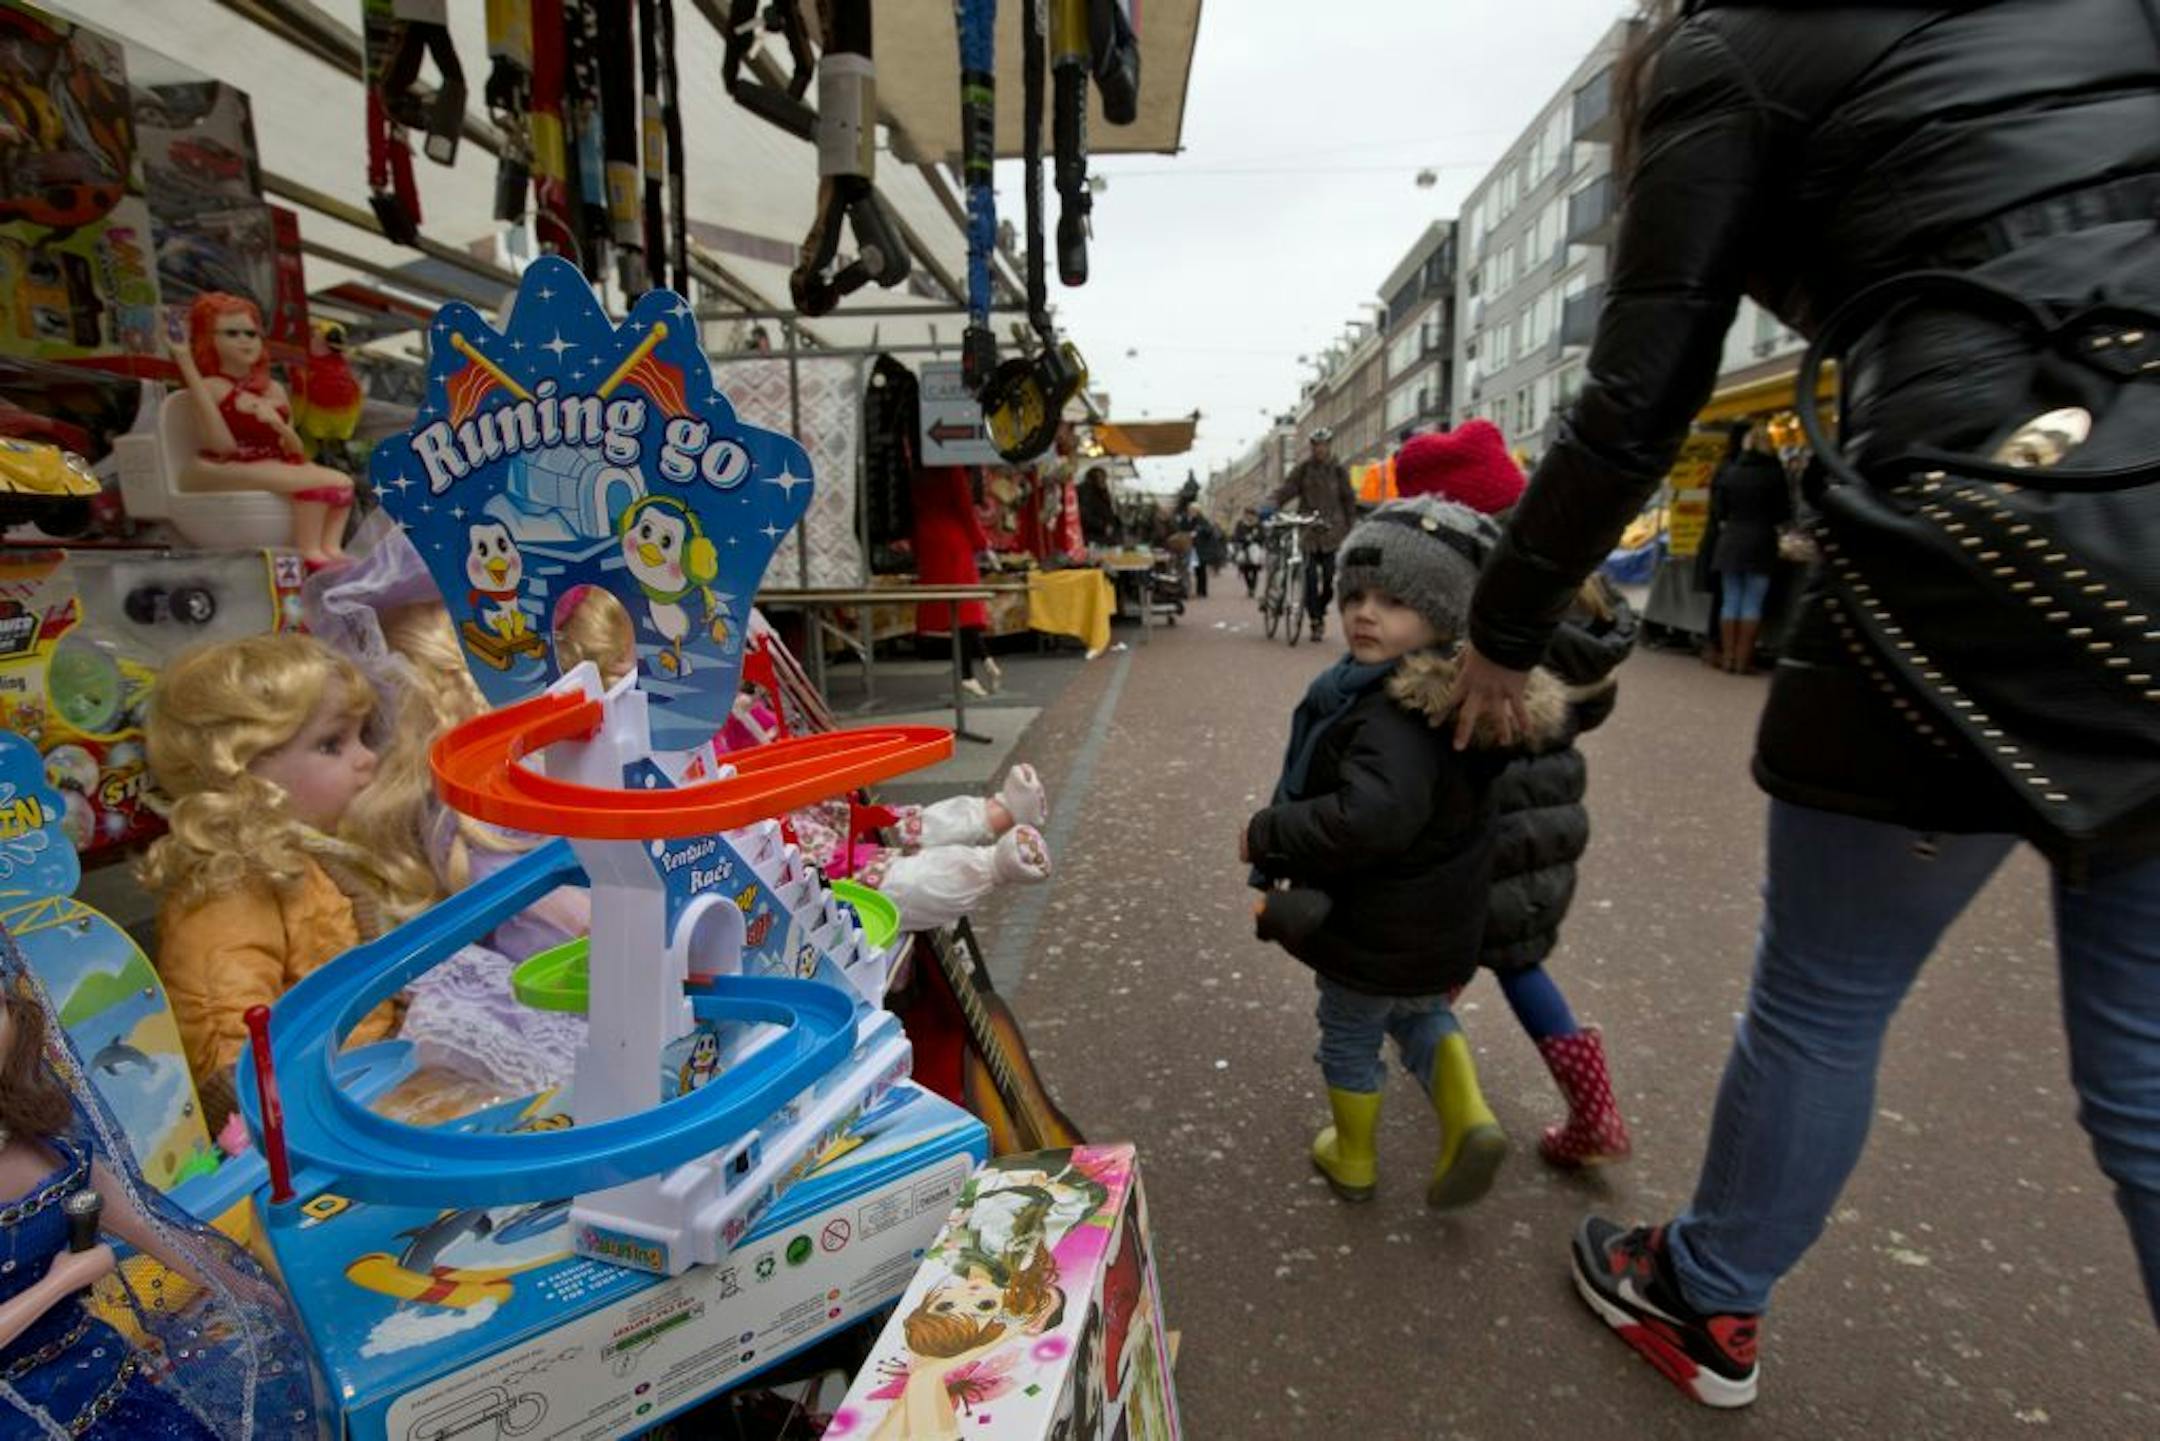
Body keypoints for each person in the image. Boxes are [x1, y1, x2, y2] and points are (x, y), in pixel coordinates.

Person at [1449, 0, 2160, 1409]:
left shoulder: (1736, 46)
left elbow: (1639, 398)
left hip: (1968, 540)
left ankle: (1707, 1296)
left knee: (1827, 995)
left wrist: (1501, 628)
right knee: (2147, 1065)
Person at [1244, 495, 1568, 1211]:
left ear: (1447, 612)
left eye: (1394, 600)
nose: (1365, 613)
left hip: (1373, 918)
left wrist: (1267, 833)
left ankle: (1353, 1153)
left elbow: (1370, 819)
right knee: (1421, 1013)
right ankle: (1468, 1117)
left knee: (1350, 1029)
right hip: (1440, 915)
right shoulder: (1448, 697)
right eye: (1355, 595)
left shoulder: (1386, 712)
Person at [1396, 423, 1639, 1167]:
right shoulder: (1572, 590)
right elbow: (1585, 702)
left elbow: (1433, 713)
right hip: (1549, 813)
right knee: (1513, 955)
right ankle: (1593, 1112)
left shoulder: (1470, 609)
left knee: (1432, 961)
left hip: (1477, 815)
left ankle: (1463, 1105)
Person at [139, 633, 410, 1128]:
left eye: (362, 737)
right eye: (332, 744)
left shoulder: (321, 855)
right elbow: (228, 1040)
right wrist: (277, 1117)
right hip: (312, 1116)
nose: (366, 758)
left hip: (368, 1080)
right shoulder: (230, 886)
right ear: (242, 772)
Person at [166, 292, 356, 570]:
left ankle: (329, 547)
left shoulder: (274, 390)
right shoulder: (213, 387)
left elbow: (293, 450)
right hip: (219, 466)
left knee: (344, 482)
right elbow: (223, 447)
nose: (245, 341)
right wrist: (185, 364)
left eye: (251, 333)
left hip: (268, 460)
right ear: (210, 339)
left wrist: (277, 424)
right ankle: (310, 549)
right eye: (232, 333)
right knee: (316, 483)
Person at [1706, 421, 1792, 674]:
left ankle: (1729, 657)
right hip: (1761, 541)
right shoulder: (1775, 474)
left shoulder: (1731, 472)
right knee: (1753, 602)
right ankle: (1744, 660)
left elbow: (1718, 510)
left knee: (1730, 600)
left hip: (1731, 540)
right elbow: (1783, 513)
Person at [1269, 428, 1360, 641]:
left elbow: (1348, 500)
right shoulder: (1303, 470)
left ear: (1329, 446)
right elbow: (1288, 489)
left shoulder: (1338, 471)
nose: (1320, 449)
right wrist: (1274, 504)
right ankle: (1315, 619)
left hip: (1332, 532)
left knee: (1329, 580)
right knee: (1308, 579)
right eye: (1316, 445)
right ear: (1312, 447)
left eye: (1324, 445)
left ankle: (1319, 607)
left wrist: (1350, 526)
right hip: (1308, 531)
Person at [1230, 507, 1264, 596]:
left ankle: (1253, 588)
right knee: (1245, 569)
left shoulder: (1258, 525)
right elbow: (1236, 536)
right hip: (1244, 548)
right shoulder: (1240, 524)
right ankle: (1249, 587)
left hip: (1255, 548)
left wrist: (1254, 538)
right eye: (1247, 514)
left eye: (1251, 515)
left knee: (1254, 569)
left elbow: (1262, 536)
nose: (1249, 516)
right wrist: (1244, 538)